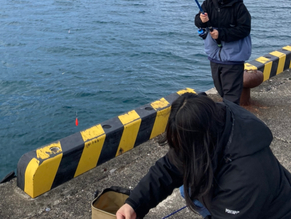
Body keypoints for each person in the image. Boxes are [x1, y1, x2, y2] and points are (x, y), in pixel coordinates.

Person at [116, 93, 291, 219]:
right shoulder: (212, 126)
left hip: (270, 212)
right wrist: (134, 204)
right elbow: (169, 167)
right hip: (236, 197)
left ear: (202, 141)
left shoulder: (246, 177)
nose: (179, 151)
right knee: (188, 190)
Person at [195, 0, 251, 105]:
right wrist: (202, 20)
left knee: (231, 95)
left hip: (233, 57)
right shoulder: (208, 3)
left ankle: (231, 119)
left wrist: (221, 34)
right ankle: (228, 115)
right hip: (214, 56)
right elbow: (197, 21)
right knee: (220, 89)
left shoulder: (239, 7)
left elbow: (244, 29)